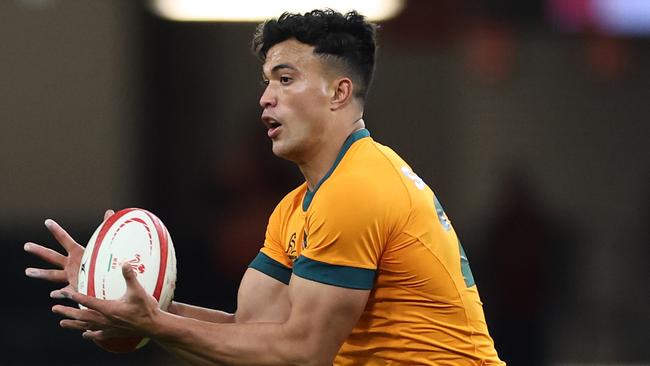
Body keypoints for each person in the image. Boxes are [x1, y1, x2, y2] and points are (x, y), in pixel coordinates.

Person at [24, 9, 505, 365]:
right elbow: (255, 336)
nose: (265, 98)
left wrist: (154, 323)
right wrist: (137, 307)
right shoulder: (296, 208)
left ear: (338, 93)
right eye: (266, 81)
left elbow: (301, 354)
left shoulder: (359, 188)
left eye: (285, 79)